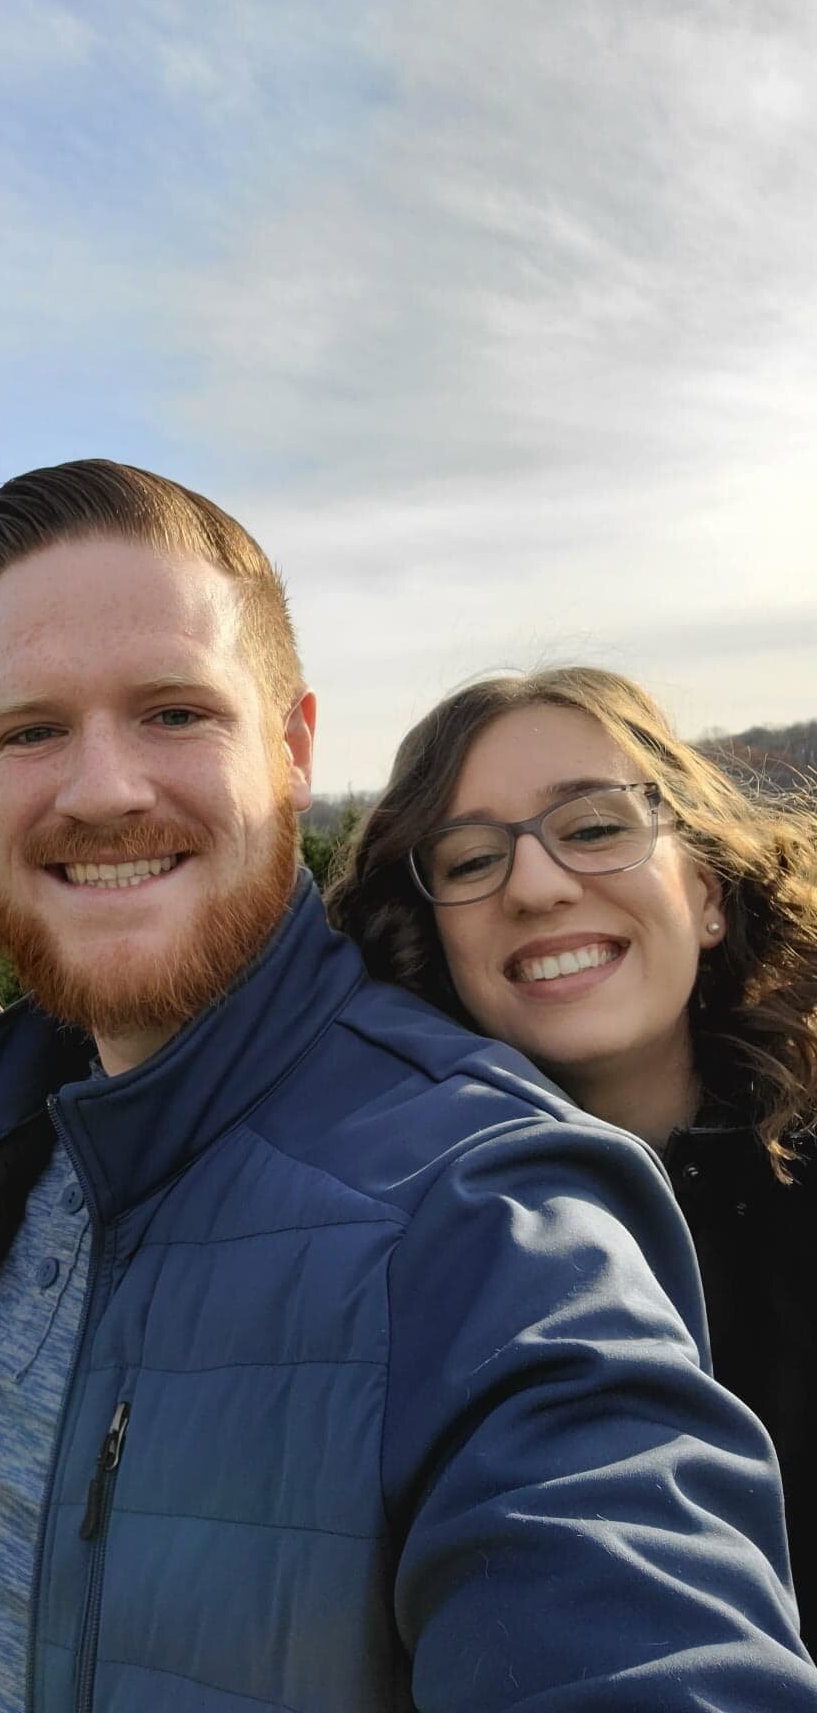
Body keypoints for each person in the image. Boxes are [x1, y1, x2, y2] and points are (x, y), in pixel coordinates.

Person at [0, 460, 817, 1713]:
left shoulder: (482, 1212)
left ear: (295, 747)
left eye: (175, 712)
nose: (102, 789)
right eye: (34, 732)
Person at [327, 664, 817, 1633]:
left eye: (595, 827)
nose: (539, 887)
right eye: (469, 860)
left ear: (706, 892)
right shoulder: (384, 1255)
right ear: (431, 934)